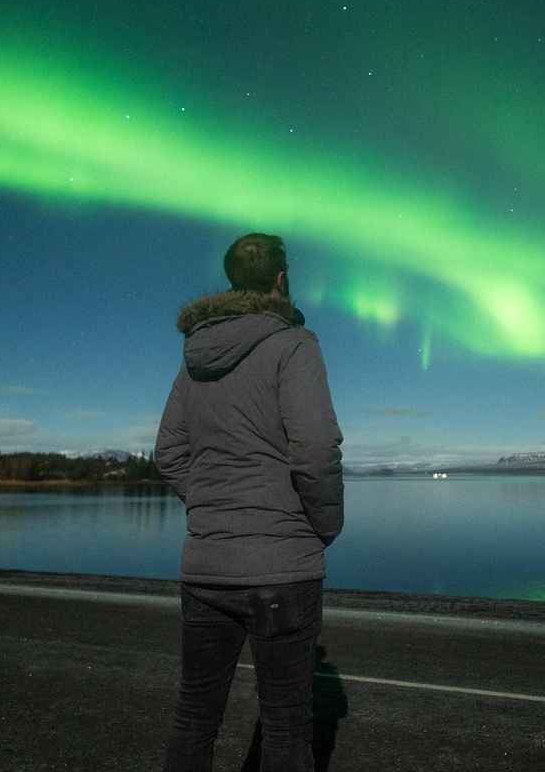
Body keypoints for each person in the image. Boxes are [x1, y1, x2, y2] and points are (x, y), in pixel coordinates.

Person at [156, 232, 345, 772]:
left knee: (194, 716)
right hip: (283, 569)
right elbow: (315, 447)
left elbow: (168, 453)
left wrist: (212, 508)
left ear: (233, 281)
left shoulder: (193, 359)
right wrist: (323, 525)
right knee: (286, 726)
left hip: (206, 568)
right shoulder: (295, 344)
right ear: (281, 280)